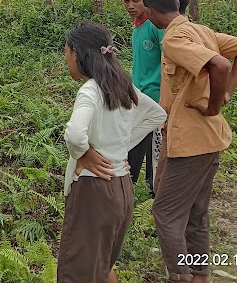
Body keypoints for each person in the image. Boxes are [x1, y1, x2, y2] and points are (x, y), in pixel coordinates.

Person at [142, 0, 237, 283]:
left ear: (151, 11)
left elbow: (219, 64)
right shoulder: (202, 31)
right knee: (195, 212)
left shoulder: (174, 39)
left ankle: (180, 276)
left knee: (165, 213)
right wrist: (226, 94)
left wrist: (214, 105)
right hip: (208, 139)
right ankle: (199, 275)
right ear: (177, 6)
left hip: (190, 141)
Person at [59, 22, 166, 283]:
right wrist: (119, 148)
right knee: (103, 266)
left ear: (77, 53)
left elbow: (74, 134)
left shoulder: (90, 90)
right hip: (121, 189)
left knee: (79, 274)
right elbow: (157, 114)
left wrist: (82, 153)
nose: (65, 58)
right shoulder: (121, 84)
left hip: (93, 191)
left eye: (66, 52)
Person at [122, 0, 164, 196]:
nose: (130, 6)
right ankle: (128, 188)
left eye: (135, 1)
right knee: (134, 145)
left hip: (156, 101)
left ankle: (153, 194)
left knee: (155, 152)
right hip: (138, 97)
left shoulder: (156, 28)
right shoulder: (137, 28)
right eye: (126, 1)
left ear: (146, 0)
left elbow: (168, 62)